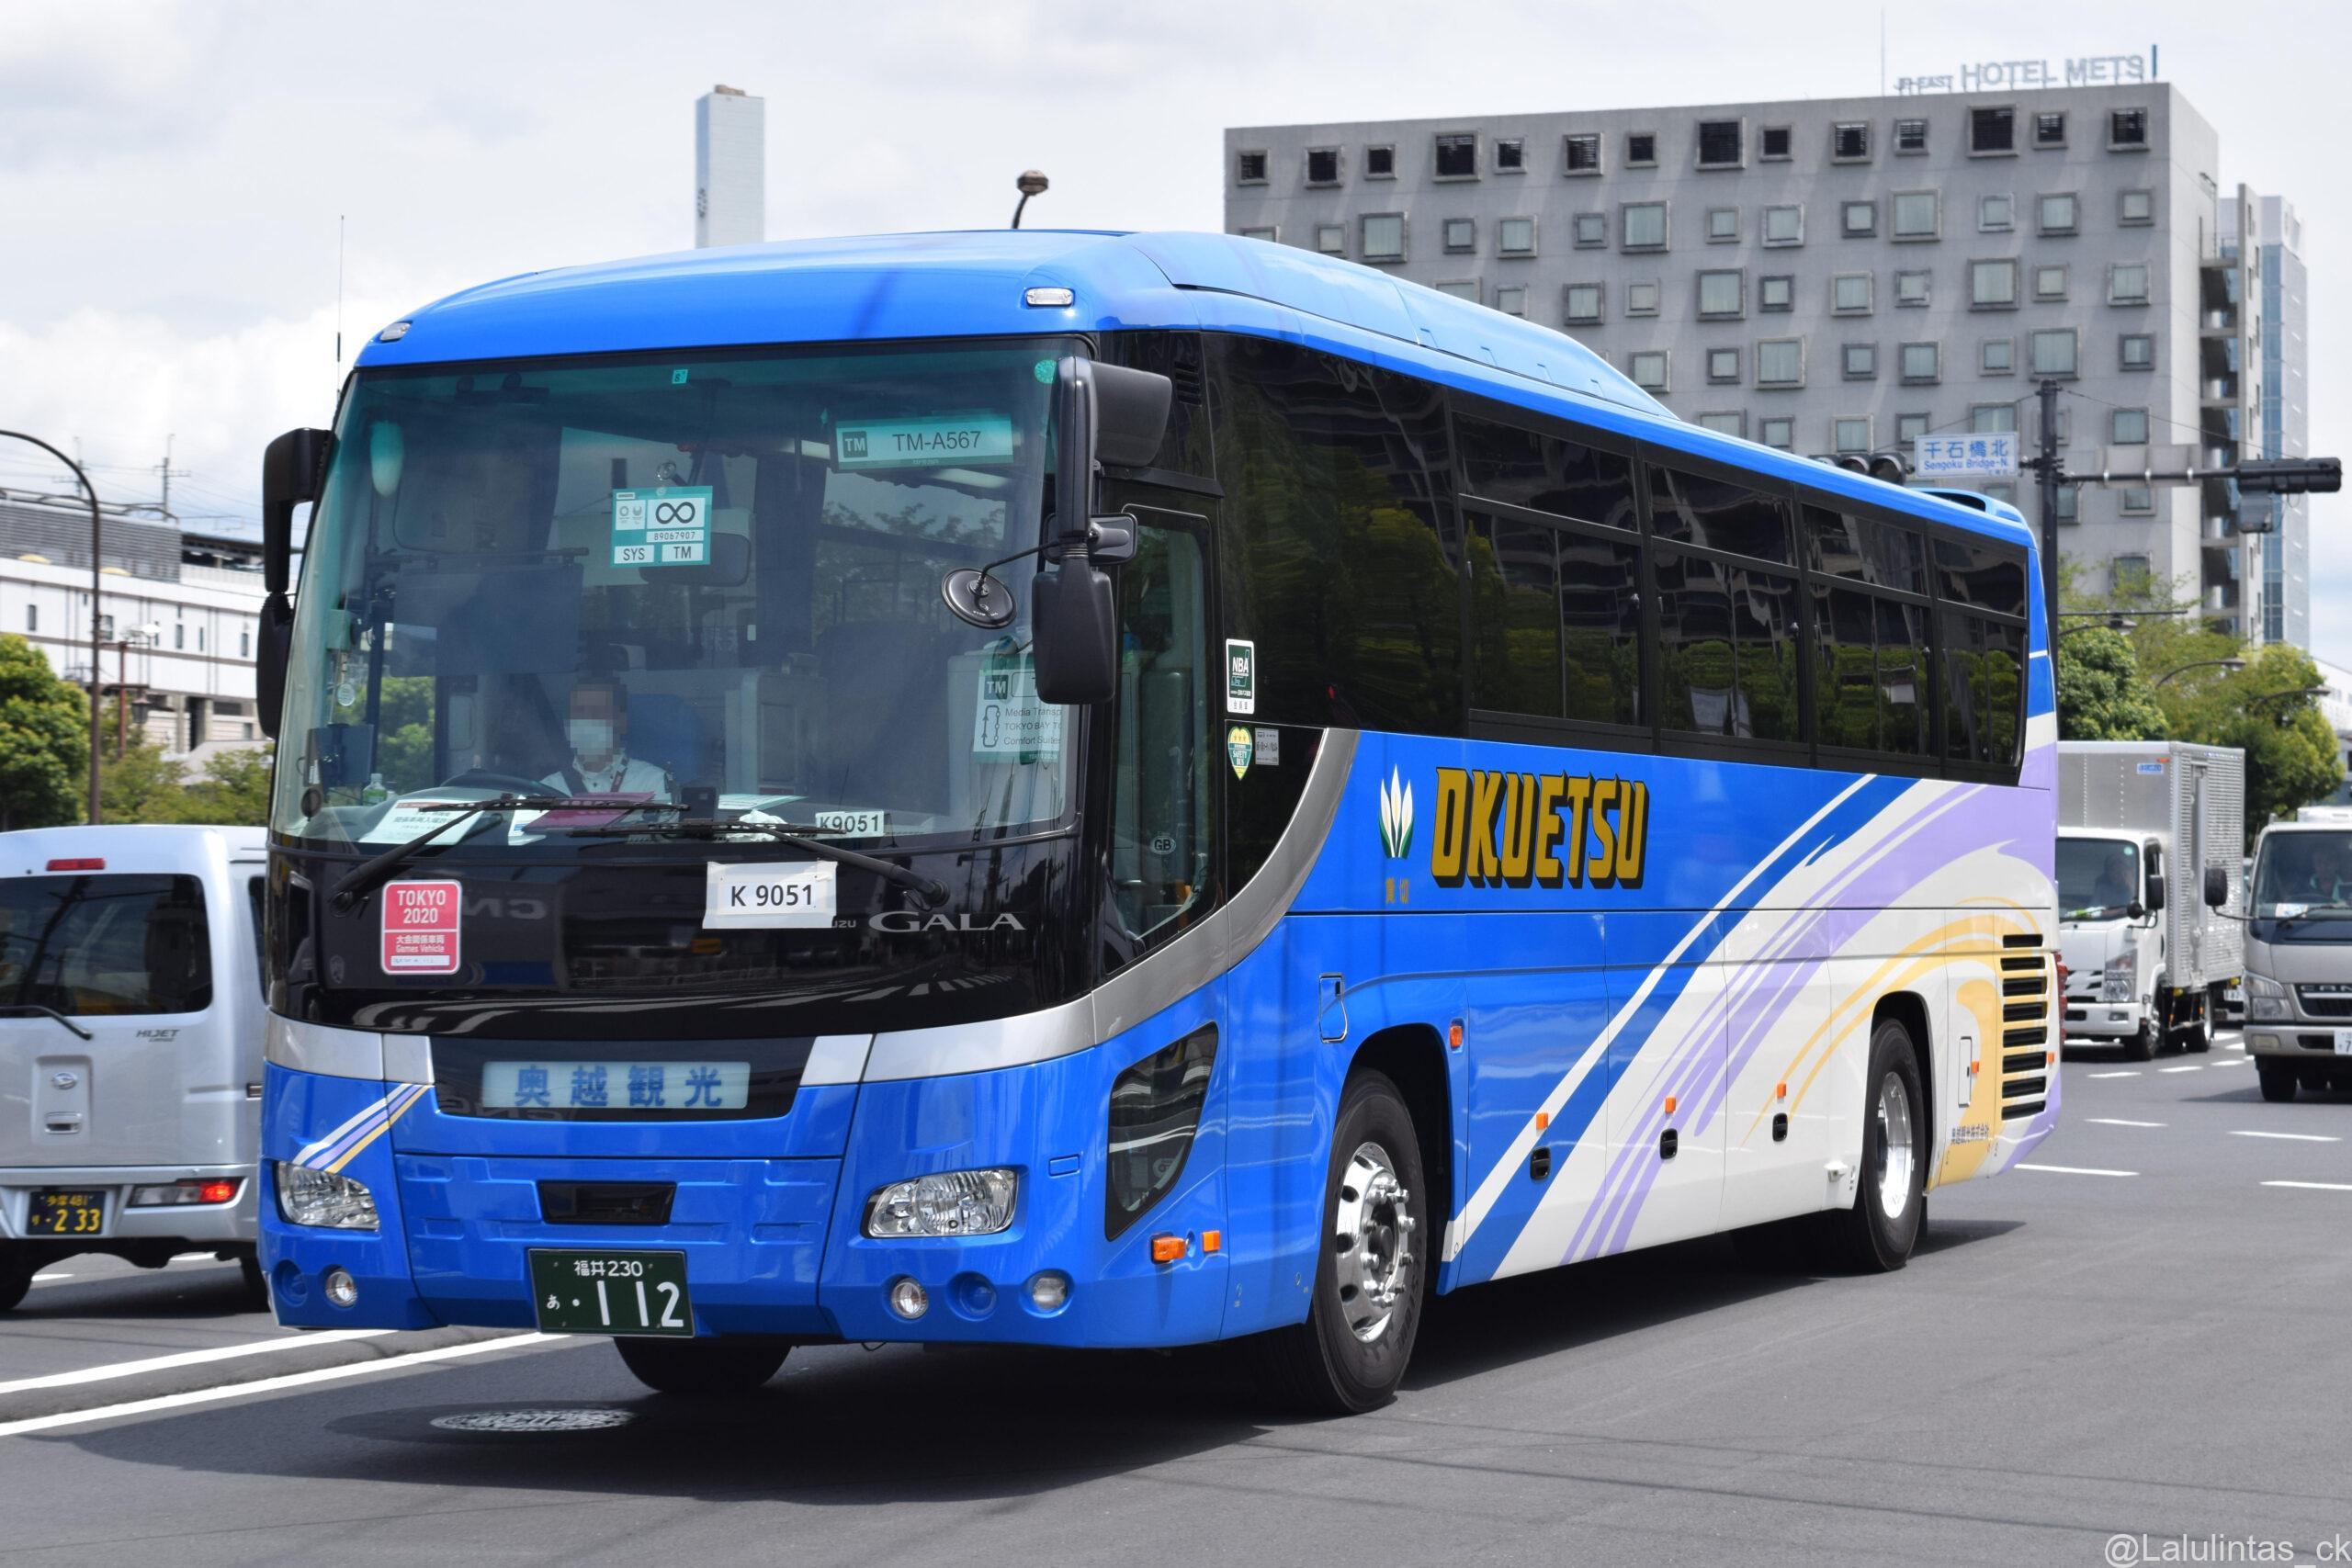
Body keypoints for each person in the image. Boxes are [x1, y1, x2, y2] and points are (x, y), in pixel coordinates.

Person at [541, 679, 673, 798]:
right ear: (567, 727)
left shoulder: (653, 782)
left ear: (619, 722)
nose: (587, 722)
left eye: (597, 714)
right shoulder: (547, 788)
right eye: (579, 714)